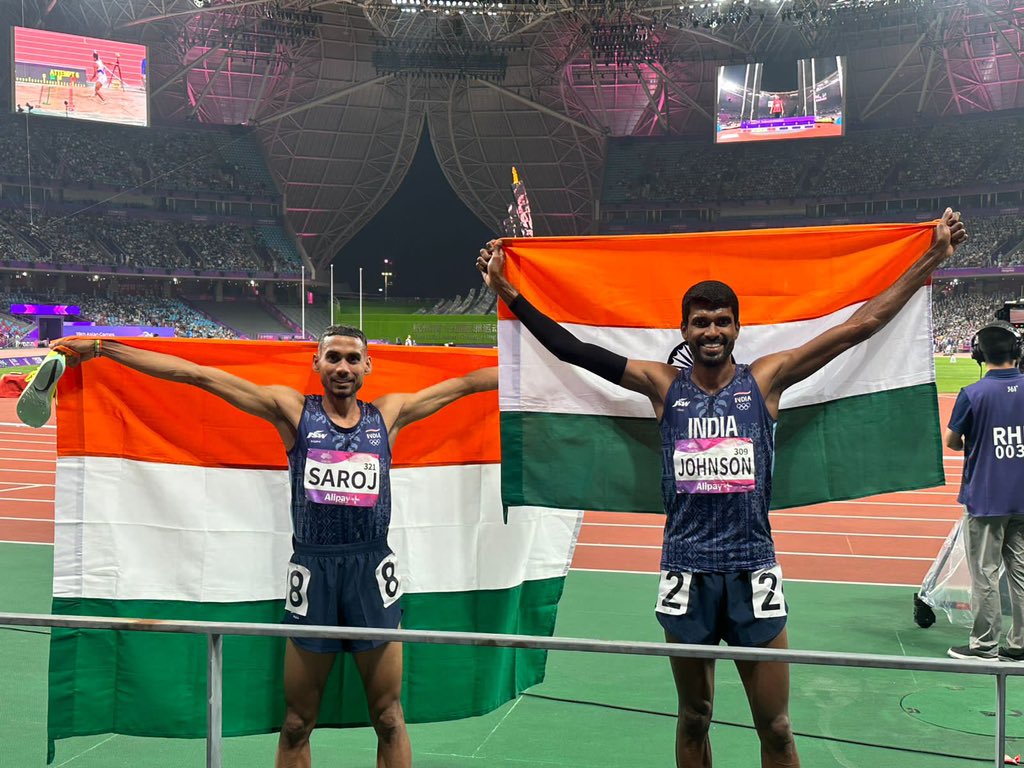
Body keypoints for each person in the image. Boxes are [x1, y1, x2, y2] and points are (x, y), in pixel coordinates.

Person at [477, 209, 967, 768]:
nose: (712, 331)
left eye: (722, 321)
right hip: (686, 568)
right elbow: (572, 351)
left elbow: (858, 326)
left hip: (753, 566)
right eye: (701, 322)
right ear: (683, 330)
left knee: (778, 728)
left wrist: (930, 257)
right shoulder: (661, 384)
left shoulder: (767, 378)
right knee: (693, 718)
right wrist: (509, 292)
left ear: (738, 328)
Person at [51, 326, 498, 768]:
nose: (343, 367)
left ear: (367, 366)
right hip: (314, 572)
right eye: (333, 357)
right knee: (297, 723)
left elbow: (464, 385)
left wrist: (537, 368)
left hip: (371, 570)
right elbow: (199, 375)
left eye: (352, 359)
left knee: (388, 717)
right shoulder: (293, 411)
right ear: (317, 363)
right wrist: (101, 348)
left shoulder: (389, 415)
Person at [945, 320, 1024, 662]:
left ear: (979, 355)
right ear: (1017, 352)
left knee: (985, 573)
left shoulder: (972, 394)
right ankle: (1021, 644)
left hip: (987, 498)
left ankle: (985, 644)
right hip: (1022, 496)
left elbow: (952, 441)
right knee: (1020, 573)